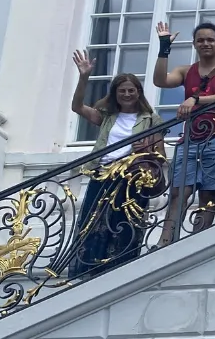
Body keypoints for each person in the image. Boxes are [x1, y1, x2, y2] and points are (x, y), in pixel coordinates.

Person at [67, 56, 164, 278]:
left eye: (131, 90)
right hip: (102, 174)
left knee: (125, 224)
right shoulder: (107, 117)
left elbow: (161, 156)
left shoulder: (151, 119)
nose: (127, 94)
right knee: (93, 222)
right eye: (122, 91)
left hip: (132, 177)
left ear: (138, 92)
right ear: (115, 94)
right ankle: (88, 269)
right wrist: (84, 77)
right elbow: (77, 107)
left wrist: (147, 149)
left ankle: (121, 270)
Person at [153, 20, 215, 244]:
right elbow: (160, 81)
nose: (205, 43)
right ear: (194, 44)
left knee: (208, 194)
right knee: (178, 193)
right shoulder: (186, 70)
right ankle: (165, 243)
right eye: (200, 40)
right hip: (190, 139)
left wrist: (195, 99)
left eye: (210, 40)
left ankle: (196, 242)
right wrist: (164, 48)